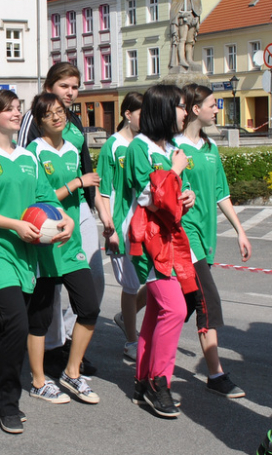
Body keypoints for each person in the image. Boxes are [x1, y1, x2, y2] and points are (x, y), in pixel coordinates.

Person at [0, 90, 73, 434]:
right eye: (9, 109)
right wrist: (15, 224)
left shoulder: (28, 157)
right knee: (15, 322)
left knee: (15, 326)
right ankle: (5, 404)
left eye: (17, 108)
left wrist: (63, 221)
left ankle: (8, 391)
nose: (16, 113)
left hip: (26, 254)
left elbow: (44, 198)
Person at [18, 62, 107, 378]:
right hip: (47, 208)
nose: (70, 92)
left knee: (93, 278)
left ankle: (70, 339)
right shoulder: (36, 119)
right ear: (49, 87)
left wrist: (102, 213)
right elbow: (25, 165)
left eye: (74, 87)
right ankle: (53, 350)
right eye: (64, 86)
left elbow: (87, 172)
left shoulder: (75, 121)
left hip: (78, 208)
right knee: (50, 286)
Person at [125, 83, 195, 418]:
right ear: (164, 109)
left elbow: (172, 198)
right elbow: (148, 200)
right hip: (150, 239)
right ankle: (159, 381)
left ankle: (142, 380)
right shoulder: (140, 147)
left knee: (155, 312)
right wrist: (176, 173)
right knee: (175, 309)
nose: (186, 112)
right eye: (181, 106)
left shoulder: (169, 147)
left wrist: (187, 195)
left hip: (168, 237)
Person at [176, 83, 250, 398]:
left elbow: (221, 193)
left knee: (181, 304)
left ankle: (143, 344)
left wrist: (240, 230)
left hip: (206, 235)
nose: (217, 108)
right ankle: (216, 374)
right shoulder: (174, 149)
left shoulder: (210, 148)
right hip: (185, 235)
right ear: (195, 109)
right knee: (208, 302)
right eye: (212, 104)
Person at [96, 92, 146, 362]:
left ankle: (124, 318)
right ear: (128, 114)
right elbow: (103, 192)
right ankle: (131, 340)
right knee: (130, 285)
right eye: (142, 113)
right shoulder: (113, 147)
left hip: (147, 225)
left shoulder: (147, 144)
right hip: (123, 225)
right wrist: (110, 227)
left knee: (161, 279)